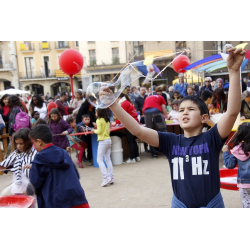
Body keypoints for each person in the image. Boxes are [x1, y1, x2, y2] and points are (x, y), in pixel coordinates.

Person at [99, 47, 245, 208]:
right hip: (180, 205)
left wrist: (233, 71)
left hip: (212, 205)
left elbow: (232, 112)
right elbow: (137, 130)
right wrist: (112, 104)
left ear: (204, 118)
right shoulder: (171, 142)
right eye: (181, 110)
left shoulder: (211, 138)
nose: (184, 112)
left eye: (191, 109)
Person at [28, 125, 89, 208]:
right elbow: (76, 175)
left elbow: (34, 185)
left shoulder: (38, 159)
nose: (34, 147)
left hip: (56, 203)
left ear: (39, 142)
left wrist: (26, 190)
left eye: (33, 143)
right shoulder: (64, 153)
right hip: (77, 198)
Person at [222, 122, 250, 208]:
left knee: (247, 204)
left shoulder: (237, 149)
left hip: (244, 183)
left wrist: (225, 152)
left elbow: (229, 165)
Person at [111, 93, 140, 164]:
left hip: (129, 123)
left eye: (116, 98)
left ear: (119, 97)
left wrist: (115, 123)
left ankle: (132, 158)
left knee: (130, 142)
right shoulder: (127, 102)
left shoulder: (124, 104)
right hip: (134, 122)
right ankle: (137, 156)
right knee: (133, 141)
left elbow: (122, 116)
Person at [142, 90, 168, 159]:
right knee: (162, 131)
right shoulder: (160, 97)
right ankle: (166, 152)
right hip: (156, 112)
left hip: (146, 113)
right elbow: (163, 109)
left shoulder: (147, 98)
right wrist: (166, 116)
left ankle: (154, 154)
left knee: (150, 132)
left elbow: (143, 109)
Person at [91, 108, 114, 186]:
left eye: (96, 112)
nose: (95, 114)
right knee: (108, 159)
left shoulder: (99, 120)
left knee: (99, 159)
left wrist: (93, 130)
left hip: (103, 141)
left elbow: (99, 131)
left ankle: (105, 177)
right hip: (108, 140)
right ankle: (110, 177)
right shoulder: (107, 120)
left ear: (99, 112)